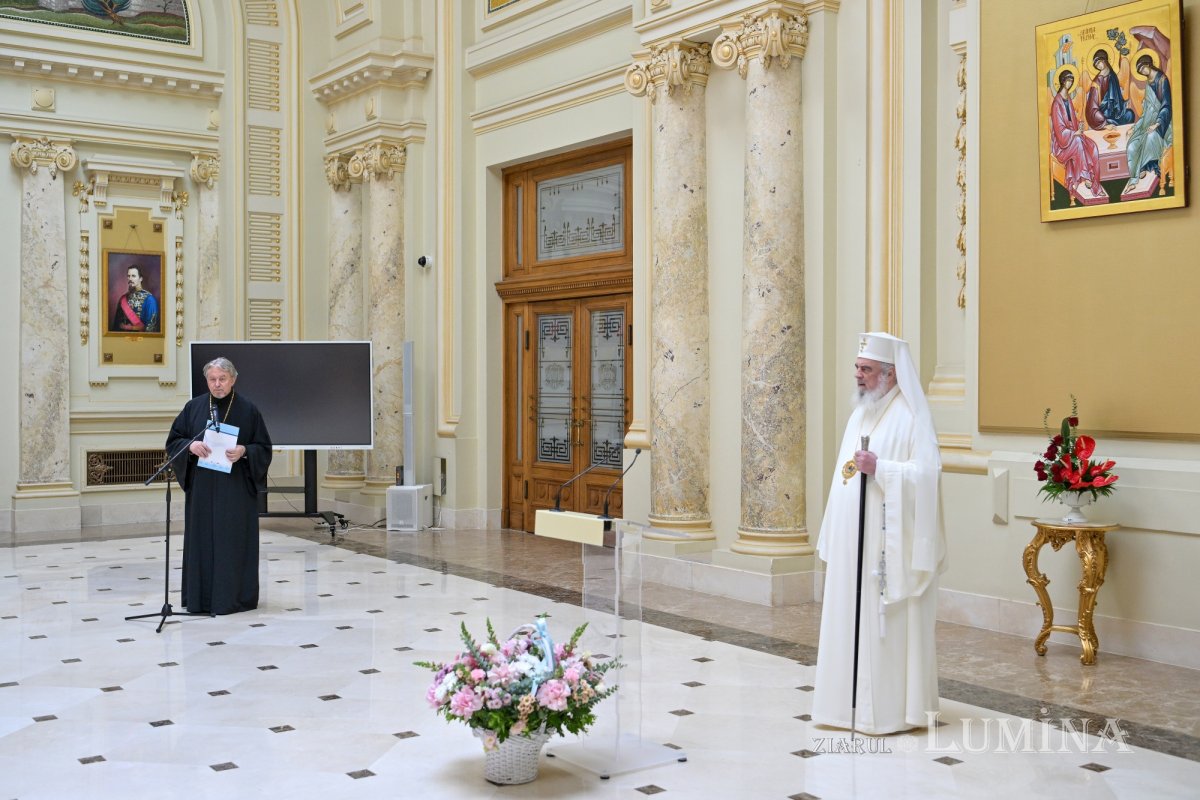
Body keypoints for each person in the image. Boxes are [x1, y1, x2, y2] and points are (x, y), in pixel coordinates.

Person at [812, 332, 947, 735]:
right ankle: (842, 706)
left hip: (887, 549)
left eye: (866, 369)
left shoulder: (910, 417)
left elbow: (927, 476)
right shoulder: (861, 414)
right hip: (853, 542)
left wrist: (883, 469)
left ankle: (889, 712)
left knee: (884, 625)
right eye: (857, 367)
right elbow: (845, 474)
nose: (858, 375)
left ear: (889, 374)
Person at [166, 357, 272, 615]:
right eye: (212, 379)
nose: (217, 384)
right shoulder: (193, 407)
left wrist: (245, 451)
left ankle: (234, 598)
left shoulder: (248, 409)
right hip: (202, 489)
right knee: (202, 542)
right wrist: (190, 446)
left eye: (222, 379)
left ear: (233, 379)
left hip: (234, 490)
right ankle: (200, 599)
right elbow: (174, 441)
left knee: (231, 543)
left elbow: (264, 448)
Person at [1124, 53, 1172, 193]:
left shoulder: (1162, 80)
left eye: (1143, 68)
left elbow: (1166, 106)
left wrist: (1157, 124)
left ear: (1149, 64)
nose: (1143, 72)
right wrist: (1135, 127)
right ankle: (1134, 176)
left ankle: (1145, 167)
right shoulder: (1147, 83)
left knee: (1150, 138)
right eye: (1140, 71)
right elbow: (1146, 112)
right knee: (1132, 144)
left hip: (1163, 123)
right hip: (1147, 122)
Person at [1049, 68, 1100, 198]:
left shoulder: (1068, 99)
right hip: (1062, 144)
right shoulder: (1057, 103)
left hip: (1072, 136)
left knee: (1092, 146)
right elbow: (1059, 129)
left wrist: (1079, 126)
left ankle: (1092, 178)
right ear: (1062, 82)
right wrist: (1074, 133)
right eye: (1068, 81)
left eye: (1072, 81)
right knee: (1078, 142)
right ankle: (1086, 176)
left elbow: (1072, 121)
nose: (1070, 83)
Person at [1085, 49, 1134, 129]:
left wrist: (1124, 103)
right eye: (1096, 64)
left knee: (1129, 114)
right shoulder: (1096, 83)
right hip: (1103, 115)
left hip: (1115, 112)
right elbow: (1092, 108)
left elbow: (1117, 97)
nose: (1098, 65)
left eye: (1099, 62)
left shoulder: (1112, 76)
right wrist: (1105, 123)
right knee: (1113, 123)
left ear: (1104, 60)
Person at [111, 264, 160, 333]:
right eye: (128, 276)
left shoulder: (150, 300)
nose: (130, 279)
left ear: (140, 279)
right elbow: (116, 327)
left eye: (133, 276)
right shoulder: (122, 299)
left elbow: (151, 328)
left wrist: (132, 328)